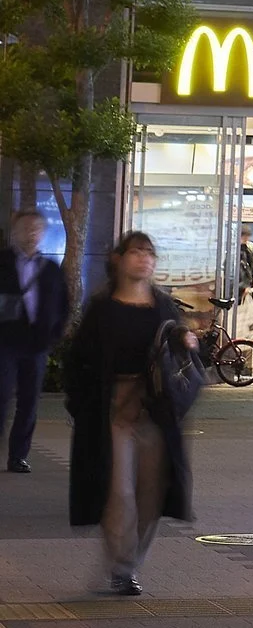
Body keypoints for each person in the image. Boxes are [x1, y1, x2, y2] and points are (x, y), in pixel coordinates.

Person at [59, 232, 195, 596]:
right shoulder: (103, 308)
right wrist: (81, 406)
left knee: (152, 491)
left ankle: (130, 561)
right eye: (136, 252)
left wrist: (187, 341)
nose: (144, 259)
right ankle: (121, 567)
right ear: (119, 259)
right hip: (113, 409)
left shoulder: (163, 306)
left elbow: (178, 348)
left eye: (149, 253)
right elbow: (79, 361)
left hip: (154, 411)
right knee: (118, 490)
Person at [0, 210, 69, 475]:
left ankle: (18, 456)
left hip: (36, 344)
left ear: (42, 233)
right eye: (25, 228)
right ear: (15, 231)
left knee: (29, 402)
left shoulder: (50, 268)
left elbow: (63, 304)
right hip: (5, 343)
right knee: (2, 396)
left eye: (36, 229)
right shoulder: (3, 262)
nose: (31, 233)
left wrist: (53, 335)